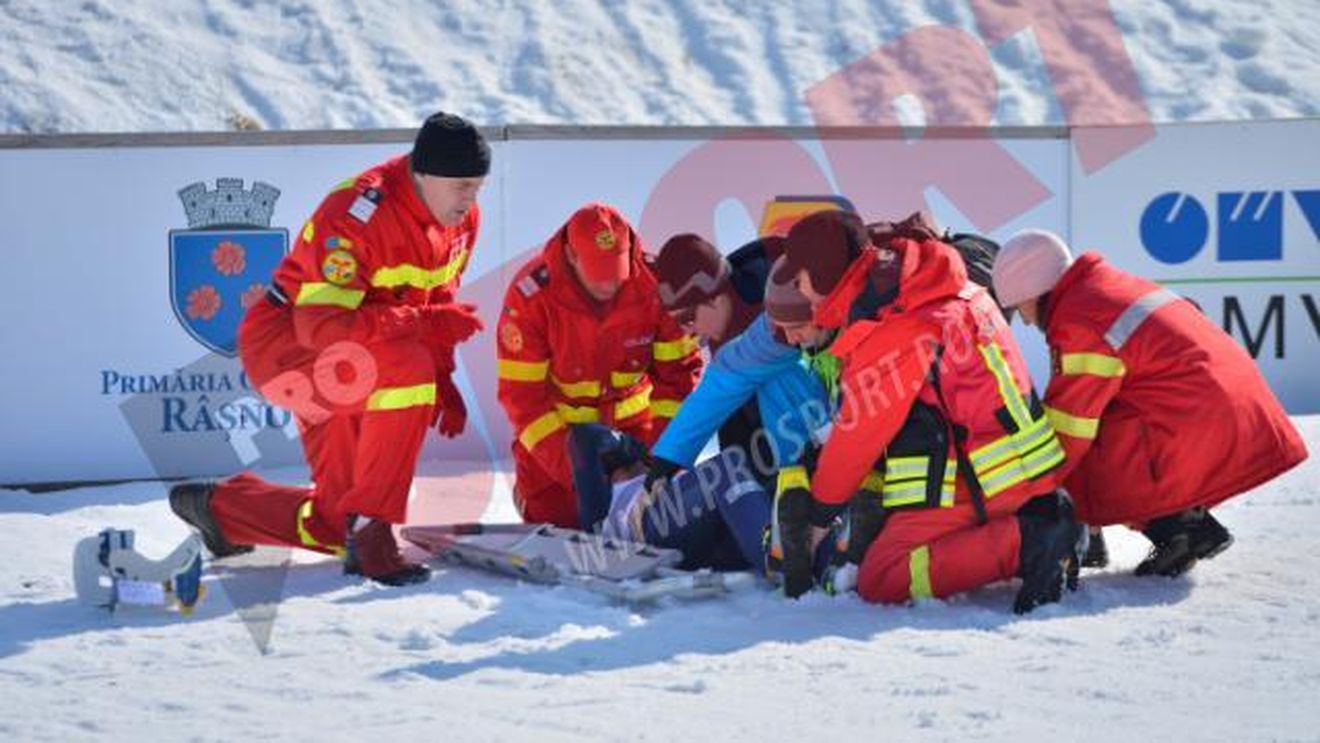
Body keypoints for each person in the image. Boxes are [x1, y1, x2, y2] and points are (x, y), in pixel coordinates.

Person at [168, 112, 490, 586]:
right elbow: (322, 326)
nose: (471, 197)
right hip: (289, 350)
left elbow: (437, 301)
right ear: (421, 174)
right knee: (409, 368)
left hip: (368, 357)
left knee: (335, 524)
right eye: (461, 184)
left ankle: (223, 510)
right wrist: (423, 337)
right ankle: (374, 528)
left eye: (478, 185)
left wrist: (443, 376)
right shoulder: (357, 212)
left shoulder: (462, 219)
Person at [776, 210, 1082, 614]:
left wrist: (818, 515)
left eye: (800, 279)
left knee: (882, 577)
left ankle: (1029, 544)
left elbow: (859, 436)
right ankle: (1039, 524)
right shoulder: (939, 290)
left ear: (824, 272)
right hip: (1021, 473)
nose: (801, 292)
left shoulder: (898, 327)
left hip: (983, 484)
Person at [991, 229, 1308, 576]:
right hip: (1232, 412)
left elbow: (1069, 426)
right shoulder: (1102, 289)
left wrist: (1022, 494)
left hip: (1198, 423)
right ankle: (1182, 527)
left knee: (1081, 452)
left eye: (1021, 306)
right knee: (1106, 427)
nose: (1024, 319)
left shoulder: (1080, 319)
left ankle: (1152, 531)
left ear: (1037, 290)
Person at [496, 203, 703, 529]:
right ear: (572, 256)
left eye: (615, 273)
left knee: (657, 522)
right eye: (598, 274)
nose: (609, 286)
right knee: (565, 525)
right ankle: (528, 493)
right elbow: (523, 400)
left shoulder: (658, 285)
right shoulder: (532, 297)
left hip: (636, 438)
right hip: (561, 446)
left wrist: (655, 464)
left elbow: (678, 380)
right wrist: (580, 473)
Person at [652, 234, 784, 486]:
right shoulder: (720, 324)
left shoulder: (780, 282)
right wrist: (665, 463)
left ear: (717, 298)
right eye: (677, 322)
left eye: (688, 318)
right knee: (732, 415)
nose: (687, 333)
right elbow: (717, 397)